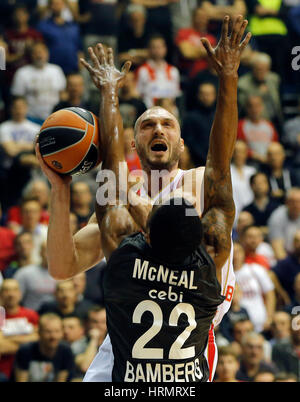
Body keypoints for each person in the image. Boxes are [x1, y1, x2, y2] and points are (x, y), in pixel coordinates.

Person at [36, 15, 251, 382]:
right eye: (147, 124)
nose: (158, 128)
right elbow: (60, 267)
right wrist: (60, 189)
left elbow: (217, 160)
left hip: (188, 342)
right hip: (126, 338)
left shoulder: (197, 182)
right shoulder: (118, 193)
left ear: (181, 145)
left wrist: (228, 78)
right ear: (133, 144)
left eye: (168, 124)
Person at [11, 41, 66, 125]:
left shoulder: (56, 70)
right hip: (30, 118)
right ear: (31, 55)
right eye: (36, 53)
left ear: (47, 53)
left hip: (55, 118)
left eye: (42, 52)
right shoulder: (22, 73)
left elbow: (63, 94)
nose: (39, 55)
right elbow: (18, 98)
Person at [14, 313, 74, 382]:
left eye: (57, 331)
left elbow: (61, 379)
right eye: (48, 331)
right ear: (39, 332)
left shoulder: (65, 350)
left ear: (62, 332)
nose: (53, 336)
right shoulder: (25, 350)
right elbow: (22, 379)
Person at [0, 279, 39, 382]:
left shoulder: (31, 315)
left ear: (20, 293)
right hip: (3, 371)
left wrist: (8, 338)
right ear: (1, 294)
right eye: (6, 290)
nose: (11, 294)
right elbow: (1, 347)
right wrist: (27, 342)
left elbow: (38, 339)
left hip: (29, 369)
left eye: (14, 290)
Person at [233, 242, 276, 333]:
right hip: (239, 327)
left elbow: (270, 294)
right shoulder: (225, 276)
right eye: (232, 252)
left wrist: (269, 318)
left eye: (238, 252)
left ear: (243, 253)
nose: (235, 255)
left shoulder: (255, 269)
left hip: (262, 323)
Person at [37, 0, 83, 75]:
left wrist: (80, 62)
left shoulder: (73, 26)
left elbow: (79, 47)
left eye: (59, 3)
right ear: (49, 6)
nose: (57, 6)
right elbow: (40, 46)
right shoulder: (43, 26)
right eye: (54, 4)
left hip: (72, 67)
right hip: (52, 67)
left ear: (64, 5)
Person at [136, 34, 181, 108]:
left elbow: (176, 95)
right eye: (154, 47)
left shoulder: (173, 71)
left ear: (165, 49)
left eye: (160, 47)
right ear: (149, 49)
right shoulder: (142, 70)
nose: (157, 50)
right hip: (149, 111)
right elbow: (138, 94)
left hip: (170, 112)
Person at [237, 52, 282, 126]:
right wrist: (258, 92)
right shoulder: (242, 84)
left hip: (274, 121)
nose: (261, 72)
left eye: (264, 69)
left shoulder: (274, 79)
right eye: (258, 69)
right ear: (252, 68)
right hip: (253, 123)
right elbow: (244, 106)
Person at [181, 82, 217, 167]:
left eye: (209, 94)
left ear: (215, 96)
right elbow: (189, 142)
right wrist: (206, 159)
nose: (206, 97)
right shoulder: (190, 118)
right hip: (196, 163)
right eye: (203, 94)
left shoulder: (219, 117)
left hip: (218, 162)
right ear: (198, 95)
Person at [175, 7, 217, 77]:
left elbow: (214, 58)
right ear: (193, 17)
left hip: (207, 74)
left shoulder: (211, 38)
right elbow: (187, 53)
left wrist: (195, 50)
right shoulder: (184, 33)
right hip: (188, 74)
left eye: (204, 17)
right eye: (199, 17)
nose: (201, 19)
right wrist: (207, 52)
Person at [0, 97, 40, 170]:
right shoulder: (4, 127)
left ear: (26, 108)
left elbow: (38, 149)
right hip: (10, 167)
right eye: (16, 107)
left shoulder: (36, 128)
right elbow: (10, 151)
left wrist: (16, 144)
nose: (19, 110)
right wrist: (30, 146)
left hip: (31, 167)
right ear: (11, 108)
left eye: (21, 107)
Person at [237, 95, 279, 166]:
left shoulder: (269, 125)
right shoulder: (240, 125)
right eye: (251, 106)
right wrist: (256, 156)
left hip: (269, 162)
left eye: (257, 106)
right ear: (247, 108)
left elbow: (275, 144)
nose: (254, 109)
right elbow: (239, 147)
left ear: (262, 107)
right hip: (249, 162)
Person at [14, 242, 57, 311]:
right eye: (47, 251)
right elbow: (14, 298)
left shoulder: (65, 275)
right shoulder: (24, 273)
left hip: (56, 316)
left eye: (53, 251)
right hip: (31, 315)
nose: (50, 254)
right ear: (40, 253)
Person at [268, 188, 300, 260]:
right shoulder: (277, 217)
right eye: (292, 202)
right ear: (286, 202)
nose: (296, 205)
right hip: (285, 257)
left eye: (298, 202)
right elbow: (278, 251)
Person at [270, 231, 300, 305]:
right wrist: (282, 293)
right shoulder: (287, 262)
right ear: (293, 243)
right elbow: (270, 274)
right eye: (297, 241)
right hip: (293, 304)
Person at [230, 140, 256, 225]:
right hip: (233, 216)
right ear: (232, 153)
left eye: (242, 152)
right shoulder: (227, 171)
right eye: (236, 151)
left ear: (246, 153)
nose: (239, 155)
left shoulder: (252, 171)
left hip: (250, 216)